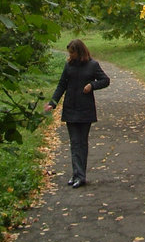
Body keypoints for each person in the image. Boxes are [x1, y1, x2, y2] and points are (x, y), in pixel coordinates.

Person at [44, 39, 110, 188]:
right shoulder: (69, 66)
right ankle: (76, 174)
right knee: (74, 142)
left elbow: (105, 80)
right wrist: (52, 103)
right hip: (70, 108)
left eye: (72, 52)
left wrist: (92, 85)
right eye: (69, 53)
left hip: (85, 109)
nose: (70, 55)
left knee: (82, 142)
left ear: (79, 52)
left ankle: (81, 175)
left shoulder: (92, 65)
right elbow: (61, 85)